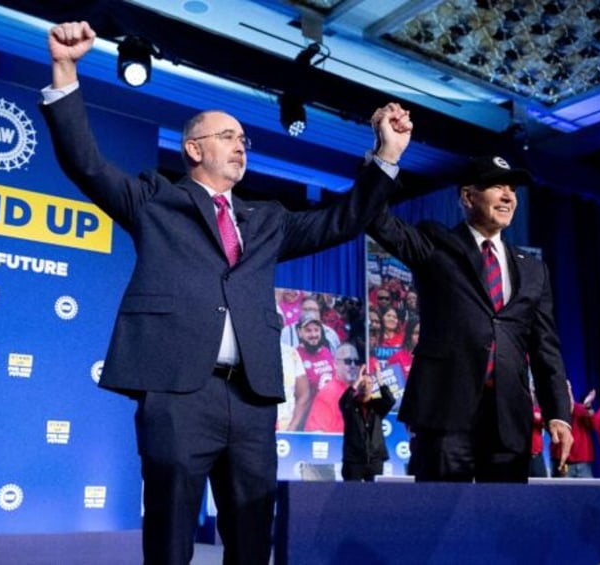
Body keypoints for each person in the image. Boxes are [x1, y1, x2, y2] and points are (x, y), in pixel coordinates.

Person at [41, 21, 412, 565]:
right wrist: (65, 69)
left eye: (245, 139)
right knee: (169, 538)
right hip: (177, 394)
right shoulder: (154, 199)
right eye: (228, 136)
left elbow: (344, 220)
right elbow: (86, 164)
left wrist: (387, 155)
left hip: (252, 398)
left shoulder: (267, 219)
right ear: (193, 148)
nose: (242, 145)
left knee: (251, 539)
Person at [367, 151, 573, 483]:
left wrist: (559, 416)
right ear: (467, 196)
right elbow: (376, 220)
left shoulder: (533, 270)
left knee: (503, 527)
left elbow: (545, 347)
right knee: (440, 525)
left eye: (513, 190)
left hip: (509, 420)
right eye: (497, 187)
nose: (508, 196)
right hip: (445, 414)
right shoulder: (435, 242)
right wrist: (385, 157)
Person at [339, 363, 396, 481]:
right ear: (358, 385)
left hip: (375, 460)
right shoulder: (350, 406)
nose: (365, 386)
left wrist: (380, 380)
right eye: (362, 383)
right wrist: (357, 380)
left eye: (369, 383)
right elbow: (343, 401)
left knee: (373, 496)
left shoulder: (377, 405)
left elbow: (390, 401)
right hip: (354, 460)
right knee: (351, 495)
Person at [305, 343, 361, 433]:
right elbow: (316, 433)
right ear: (335, 365)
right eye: (348, 361)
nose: (353, 365)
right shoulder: (329, 392)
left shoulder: (358, 390)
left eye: (356, 362)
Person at [551, 381, 596, 478]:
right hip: (562, 462)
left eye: (568, 388)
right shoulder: (552, 412)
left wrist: (588, 406)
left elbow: (594, 425)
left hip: (583, 463)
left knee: (589, 492)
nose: (566, 392)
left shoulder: (581, 409)